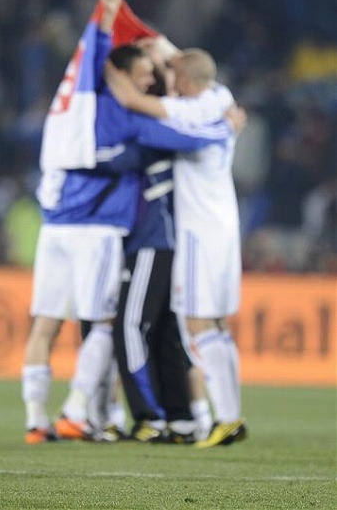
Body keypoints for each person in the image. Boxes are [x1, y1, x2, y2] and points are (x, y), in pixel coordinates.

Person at [22, 0, 241, 444]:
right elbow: (174, 119)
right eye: (143, 73)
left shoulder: (78, 114)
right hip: (110, 229)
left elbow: (176, 76)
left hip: (78, 225)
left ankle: (67, 417)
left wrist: (112, 27)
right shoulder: (155, 113)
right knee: (120, 325)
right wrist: (225, 131)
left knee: (88, 325)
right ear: (121, 73)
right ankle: (100, 412)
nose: (151, 79)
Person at [106, 47, 249, 447]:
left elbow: (130, 99)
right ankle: (231, 416)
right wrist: (160, 47)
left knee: (198, 325)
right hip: (226, 224)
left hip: (199, 230)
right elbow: (192, 63)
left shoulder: (187, 111)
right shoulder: (220, 97)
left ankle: (225, 418)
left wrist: (105, 60)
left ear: (184, 81)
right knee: (218, 324)